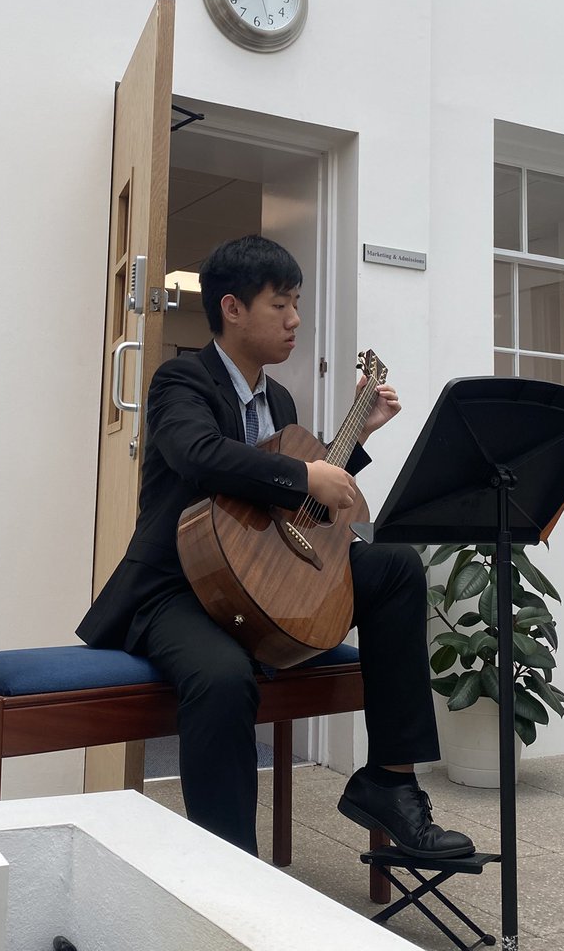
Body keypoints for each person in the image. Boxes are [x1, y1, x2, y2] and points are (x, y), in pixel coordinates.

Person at [77, 235, 473, 860]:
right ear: (232, 309)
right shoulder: (180, 381)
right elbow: (199, 457)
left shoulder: (281, 400)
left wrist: (353, 443)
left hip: (265, 580)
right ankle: (228, 868)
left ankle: (391, 782)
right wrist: (305, 474)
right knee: (224, 677)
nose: (294, 320)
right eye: (280, 305)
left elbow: (299, 504)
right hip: (181, 587)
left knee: (395, 566)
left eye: (296, 304)